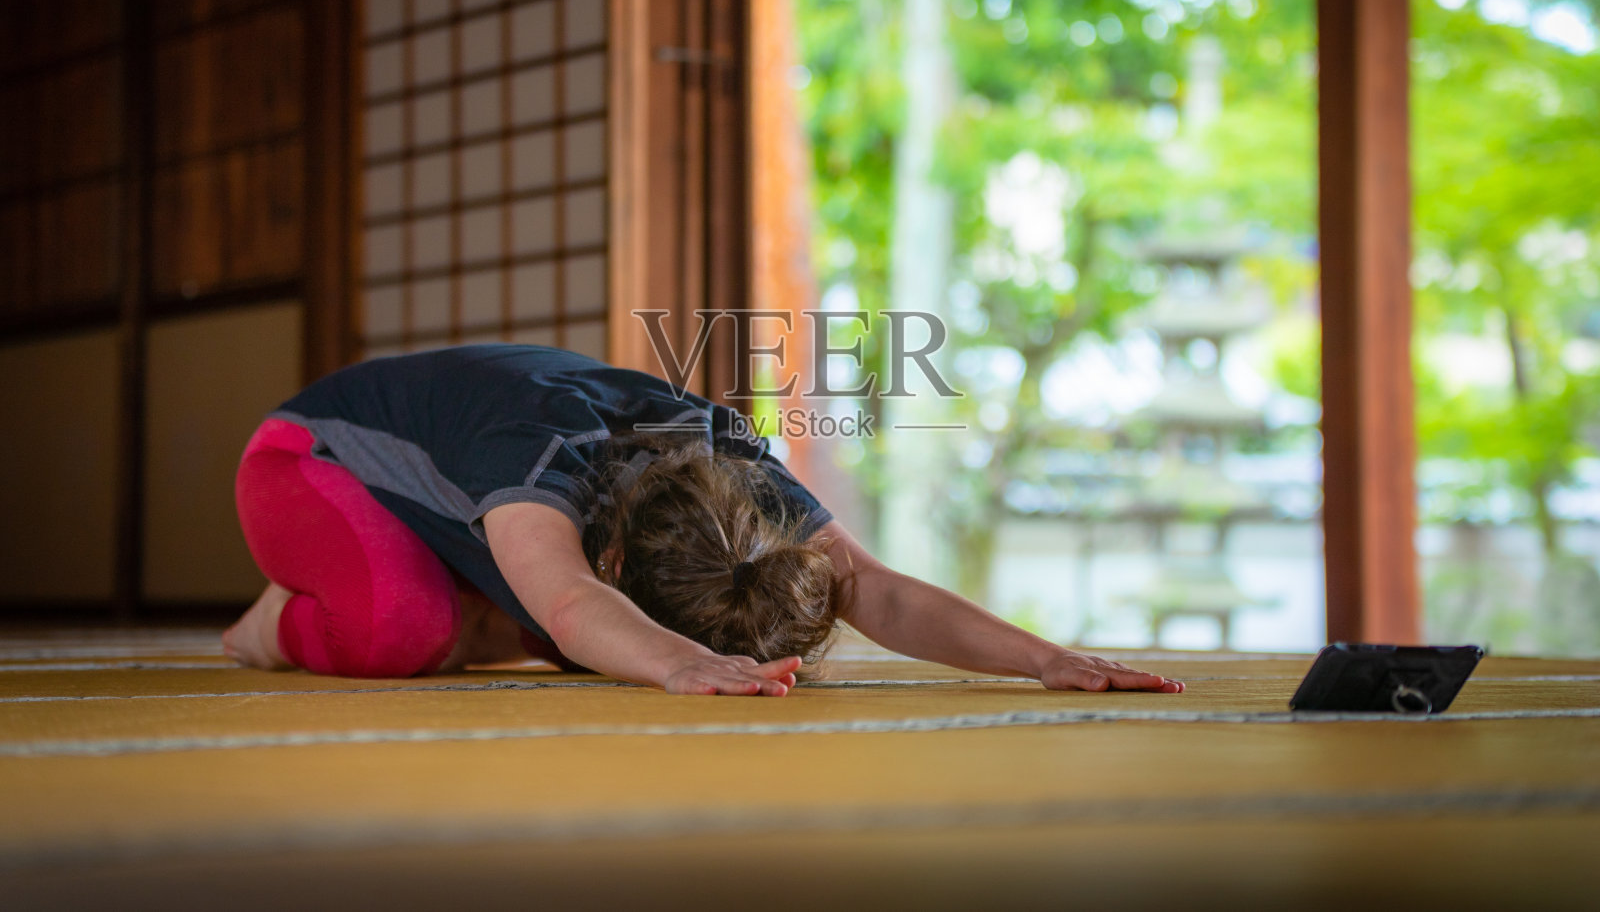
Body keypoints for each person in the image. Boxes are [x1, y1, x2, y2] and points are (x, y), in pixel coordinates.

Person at [224, 344, 1185, 697]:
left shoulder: (736, 471)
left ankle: (451, 587)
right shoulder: (536, 465)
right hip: (304, 462)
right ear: (610, 553)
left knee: (598, 647)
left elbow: (876, 590)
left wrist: (1044, 657)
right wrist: (678, 660)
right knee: (405, 628)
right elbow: (565, 600)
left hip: (495, 513)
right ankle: (273, 619)